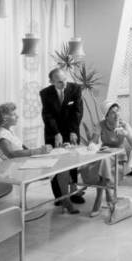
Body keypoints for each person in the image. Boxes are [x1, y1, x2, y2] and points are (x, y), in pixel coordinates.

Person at [0, 102, 78, 214]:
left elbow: (24, 148)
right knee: (61, 166)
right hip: (12, 169)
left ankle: (65, 200)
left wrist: (46, 150)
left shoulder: (8, 131)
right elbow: (11, 154)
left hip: (20, 164)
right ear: (4, 118)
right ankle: (66, 200)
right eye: (13, 114)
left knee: (61, 163)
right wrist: (37, 151)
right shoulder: (1, 134)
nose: (17, 116)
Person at [81, 101, 132, 217]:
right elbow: (93, 141)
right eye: (113, 113)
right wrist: (93, 145)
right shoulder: (101, 125)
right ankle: (109, 196)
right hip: (105, 155)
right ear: (106, 115)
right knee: (103, 161)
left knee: (104, 161)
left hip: (119, 156)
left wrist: (127, 134)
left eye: (118, 111)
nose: (117, 114)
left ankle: (99, 198)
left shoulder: (124, 124)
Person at [40, 68, 84, 204]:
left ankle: (74, 194)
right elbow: (48, 115)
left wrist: (72, 131)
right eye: (59, 82)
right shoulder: (45, 93)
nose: (64, 84)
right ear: (51, 82)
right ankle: (59, 197)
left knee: (73, 163)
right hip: (53, 132)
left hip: (71, 130)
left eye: (65, 80)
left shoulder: (75, 89)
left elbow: (77, 112)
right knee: (55, 164)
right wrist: (56, 133)